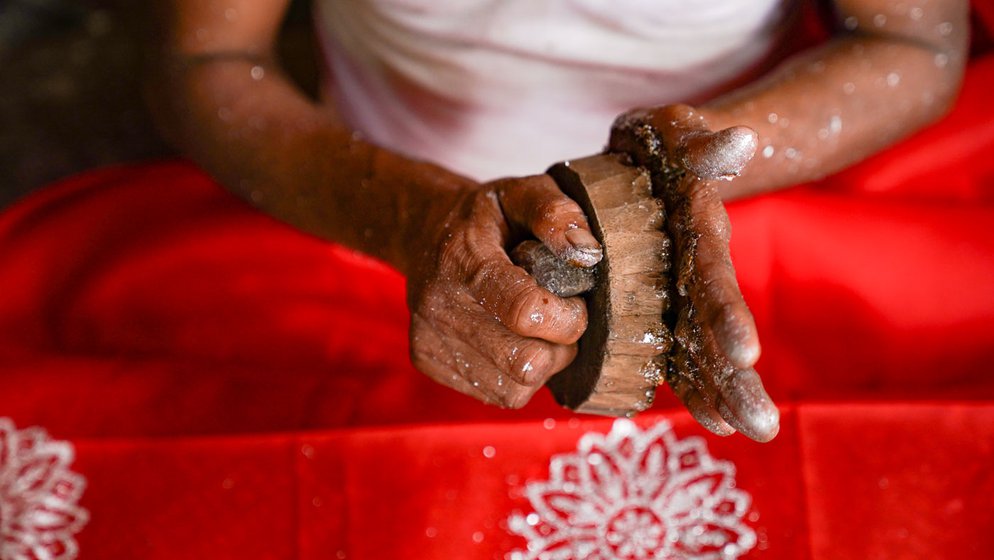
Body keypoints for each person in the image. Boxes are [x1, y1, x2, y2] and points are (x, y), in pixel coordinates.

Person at [143, 0, 969, 443]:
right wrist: (407, 215)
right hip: (352, 202)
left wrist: (695, 164)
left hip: (738, 216)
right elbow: (200, 59)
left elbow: (912, 41)